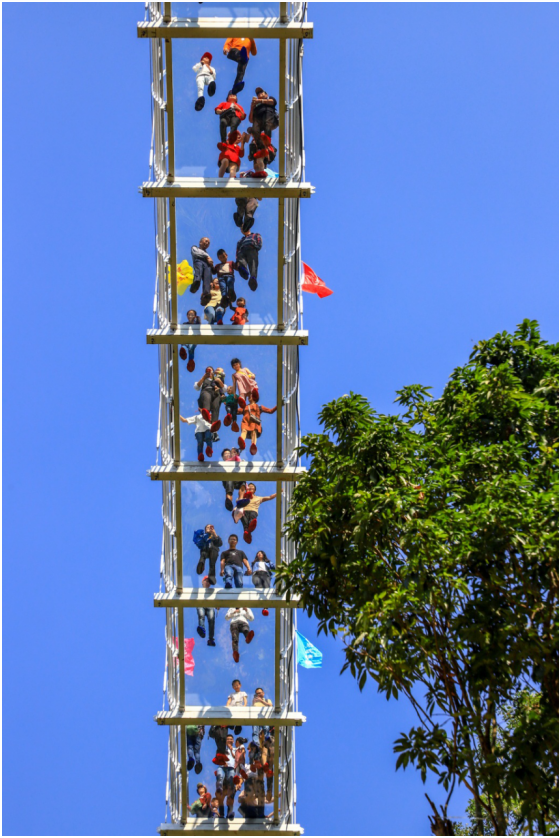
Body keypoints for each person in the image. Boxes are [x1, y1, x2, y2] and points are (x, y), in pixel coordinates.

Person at [236, 391, 277, 455]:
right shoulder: (245, 407)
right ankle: (242, 442)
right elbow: (236, 411)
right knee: (244, 430)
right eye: (249, 396)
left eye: (251, 396)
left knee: (254, 432)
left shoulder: (259, 407)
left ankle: (253, 445)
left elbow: (270, 411)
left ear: (255, 397)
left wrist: (278, 405)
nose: (249, 397)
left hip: (254, 422)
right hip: (245, 422)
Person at [213, 733, 238, 820]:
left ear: (233, 741)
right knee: (220, 777)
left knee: (230, 788)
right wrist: (223, 761)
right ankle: (222, 814)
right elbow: (217, 757)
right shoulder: (222, 749)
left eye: (231, 739)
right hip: (222, 767)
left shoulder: (236, 749)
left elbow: (237, 759)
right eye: (228, 739)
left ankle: (229, 813)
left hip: (231, 768)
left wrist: (231, 750)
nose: (229, 740)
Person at [196, 576, 218, 645]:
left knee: (211, 619)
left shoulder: (212, 591)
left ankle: (211, 639)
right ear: (202, 582)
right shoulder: (197, 591)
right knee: (201, 615)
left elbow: (216, 599)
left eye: (209, 582)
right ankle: (202, 630)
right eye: (206, 581)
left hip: (210, 606)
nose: (208, 583)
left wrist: (218, 605)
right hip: (201, 604)